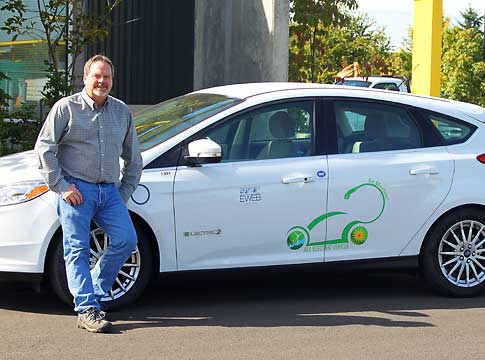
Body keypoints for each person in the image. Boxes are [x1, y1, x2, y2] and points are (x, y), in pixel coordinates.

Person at [35, 54, 143, 333]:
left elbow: (134, 158)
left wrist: (124, 192)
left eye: (107, 76)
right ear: (85, 78)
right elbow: (44, 149)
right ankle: (86, 309)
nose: (102, 81)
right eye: (96, 75)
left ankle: (92, 292)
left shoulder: (121, 112)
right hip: (76, 190)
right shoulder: (66, 108)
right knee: (77, 249)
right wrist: (61, 186)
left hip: (109, 191)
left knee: (127, 239)